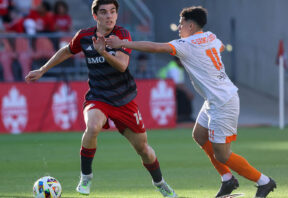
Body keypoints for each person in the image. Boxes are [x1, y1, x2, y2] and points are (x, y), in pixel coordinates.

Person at [106, 6, 276, 198]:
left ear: (191, 24)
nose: (179, 27)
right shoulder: (211, 37)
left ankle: (264, 181)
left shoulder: (186, 44)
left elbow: (155, 47)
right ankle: (228, 180)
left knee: (223, 154)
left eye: (181, 24)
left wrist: (122, 43)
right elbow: (218, 47)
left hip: (223, 102)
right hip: (215, 99)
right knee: (199, 136)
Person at [25, 0, 177, 197]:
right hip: (98, 97)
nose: (109, 16)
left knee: (144, 150)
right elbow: (67, 50)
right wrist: (43, 69)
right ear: (96, 16)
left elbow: (122, 66)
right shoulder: (84, 36)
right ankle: (86, 176)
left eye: (113, 12)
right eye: (104, 12)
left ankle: (160, 183)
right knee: (93, 126)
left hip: (124, 100)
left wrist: (102, 52)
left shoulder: (121, 35)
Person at [158, 57, 194, 123]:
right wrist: (188, 92)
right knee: (182, 95)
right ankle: (181, 117)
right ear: (178, 61)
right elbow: (177, 84)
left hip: (170, 88)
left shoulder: (179, 67)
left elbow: (180, 83)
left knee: (185, 95)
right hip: (165, 89)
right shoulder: (173, 68)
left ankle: (187, 116)